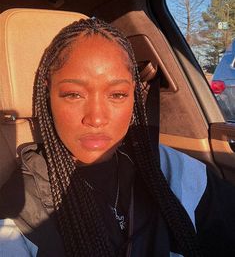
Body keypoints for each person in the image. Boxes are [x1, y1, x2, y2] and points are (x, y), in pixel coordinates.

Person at [0, 17, 235, 257]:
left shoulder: (171, 169)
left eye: (117, 95)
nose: (97, 118)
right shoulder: (18, 211)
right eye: (73, 94)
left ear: (134, 95)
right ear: (48, 94)